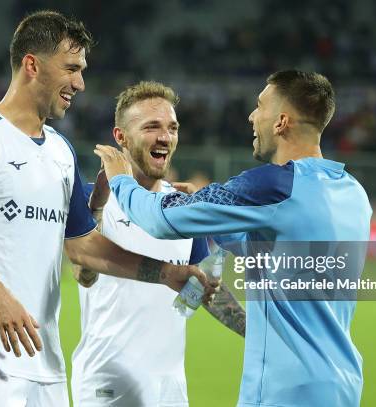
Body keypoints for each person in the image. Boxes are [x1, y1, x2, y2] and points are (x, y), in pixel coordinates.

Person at [0, 11, 210, 407]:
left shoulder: (60, 152)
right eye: (71, 68)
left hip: (44, 361)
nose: (80, 83)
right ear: (32, 64)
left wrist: (166, 273)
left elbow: (84, 248)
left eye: (81, 70)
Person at [95, 70, 373, 407]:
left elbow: (159, 220)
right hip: (341, 381)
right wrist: (212, 215)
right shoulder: (352, 192)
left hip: (286, 390)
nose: (252, 116)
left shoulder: (273, 185)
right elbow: (270, 249)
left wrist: (121, 180)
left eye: (260, 106)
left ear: (281, 122)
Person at [70, 81, 246, 407]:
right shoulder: (91, 196)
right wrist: (96, 207)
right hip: (107, 380)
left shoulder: (183, 207)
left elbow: (199, 292)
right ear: (120, 137)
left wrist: (257, 334)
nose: (165, 137)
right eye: (152, 127)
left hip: (169, 386)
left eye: (172, 128)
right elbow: (84, 274)